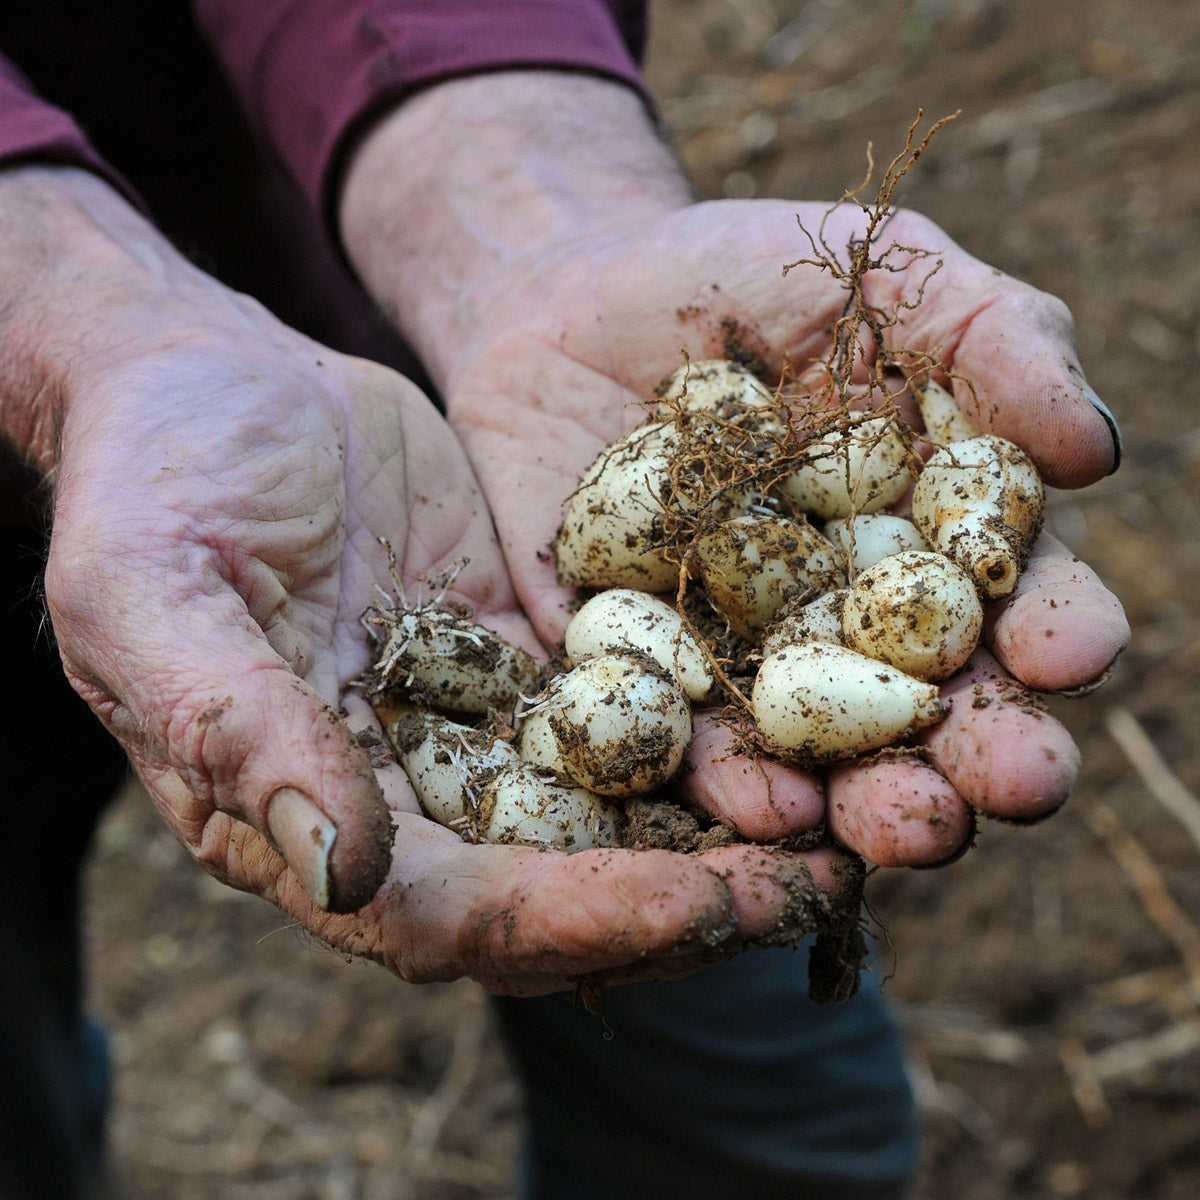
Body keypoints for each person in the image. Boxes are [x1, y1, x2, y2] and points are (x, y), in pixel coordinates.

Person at [0, 3, 1130, 1198]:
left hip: (393, 396)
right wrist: (88, 324)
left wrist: (533, 213)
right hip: (239, 443)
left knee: (756, 1116)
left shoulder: (701, 569)